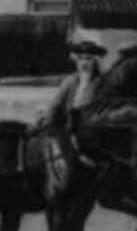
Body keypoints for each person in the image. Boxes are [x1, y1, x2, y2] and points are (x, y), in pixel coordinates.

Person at [32, 39, 107, 193]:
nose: (84, 63)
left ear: (95, 61)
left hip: (89, 131)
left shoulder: (101, 83)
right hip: (67, 127)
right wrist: (46, 118)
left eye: (88, 59)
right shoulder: (70, 81)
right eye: (81, 59)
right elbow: (56, 103)